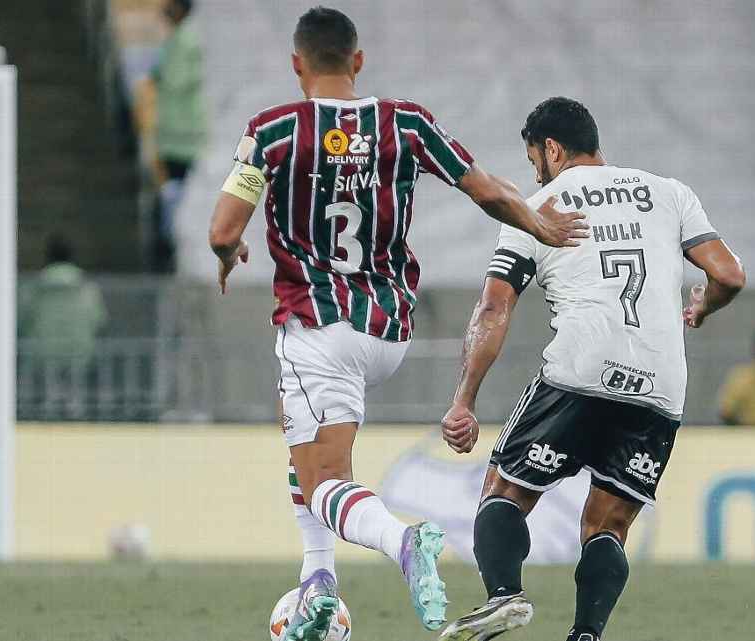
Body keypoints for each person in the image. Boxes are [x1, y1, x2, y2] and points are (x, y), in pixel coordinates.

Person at [206, 8, 586, 641]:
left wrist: (228, 253)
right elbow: (486, 187)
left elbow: (222, 229)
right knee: (293, 415)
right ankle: (318, 578)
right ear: (357, 61)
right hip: (388, 329)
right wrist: (537, 224)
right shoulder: (405, 123)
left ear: (297, 64)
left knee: (328, 481)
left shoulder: (271, 133)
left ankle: (402, 541)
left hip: (318, 324)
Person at [438, 97, 746, 641]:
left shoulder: (537, 208)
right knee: (607, 527)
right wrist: (702, 307)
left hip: (581, 370)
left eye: (535, 157)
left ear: (551, 149)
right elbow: (729, 274)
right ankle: (586, 634)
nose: (535, 169)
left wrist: (464, 399)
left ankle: (505, 596)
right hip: (660, 385)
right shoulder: (670, 193)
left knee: (504, 492)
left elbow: (493, 308)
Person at [152, 0, 205, 271]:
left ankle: (168, 239)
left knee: (176, 190)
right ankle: (166, 237)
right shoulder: (177, 39)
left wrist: (158, 72)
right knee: (173, 188)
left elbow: (175, 79)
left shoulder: (184, 42)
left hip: (181, 133)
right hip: (175, 131)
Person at [18, 235, 108, 386]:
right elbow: (100, 322)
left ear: (48, 257)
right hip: (80, 356)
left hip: (41, 357)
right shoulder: (88, 289)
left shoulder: (33, 289)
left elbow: (20, 321)